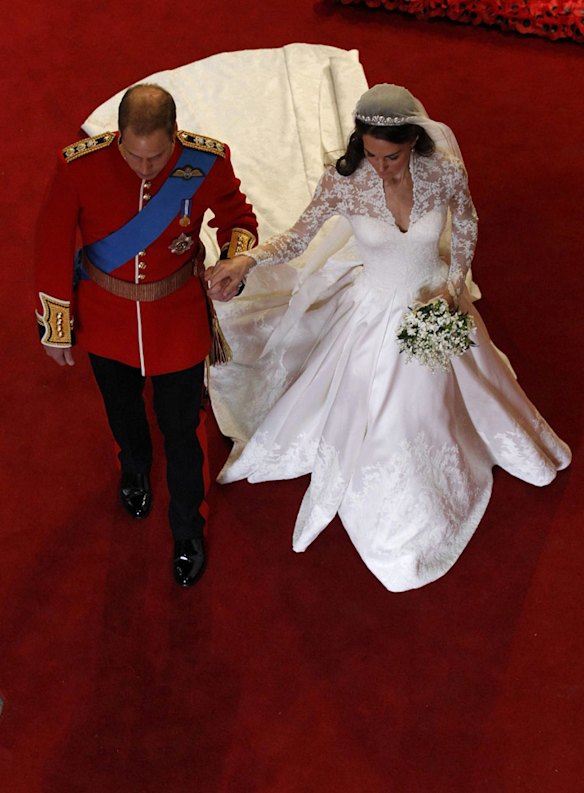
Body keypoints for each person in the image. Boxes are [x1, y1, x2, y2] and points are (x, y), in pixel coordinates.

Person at [207, 83, 571, 592]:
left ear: (415, 141)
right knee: (386, 407)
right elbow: (297, 238)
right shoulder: (344, 182)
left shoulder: (444, 171)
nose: (380, 167)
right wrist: (247, 260)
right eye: (371, 154)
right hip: (371, 315)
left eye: (392, 157)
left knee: (433, 398)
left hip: (434, 303)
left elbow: (466, 224)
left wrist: (452, 286)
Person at [35, 83, 258, 587]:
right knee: (123, 410)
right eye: (133, 156)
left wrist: (233, 261)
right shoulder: (79, 166)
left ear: (174, 135)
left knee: (182, 431)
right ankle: (134, 467)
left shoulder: (205, 161)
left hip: (177, 318)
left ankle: (188, 528)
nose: (144, 167)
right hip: (106, 318)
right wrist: (56, 326)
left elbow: (238, 218)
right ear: (118, 137)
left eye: (156, 157)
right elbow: (51, 243)